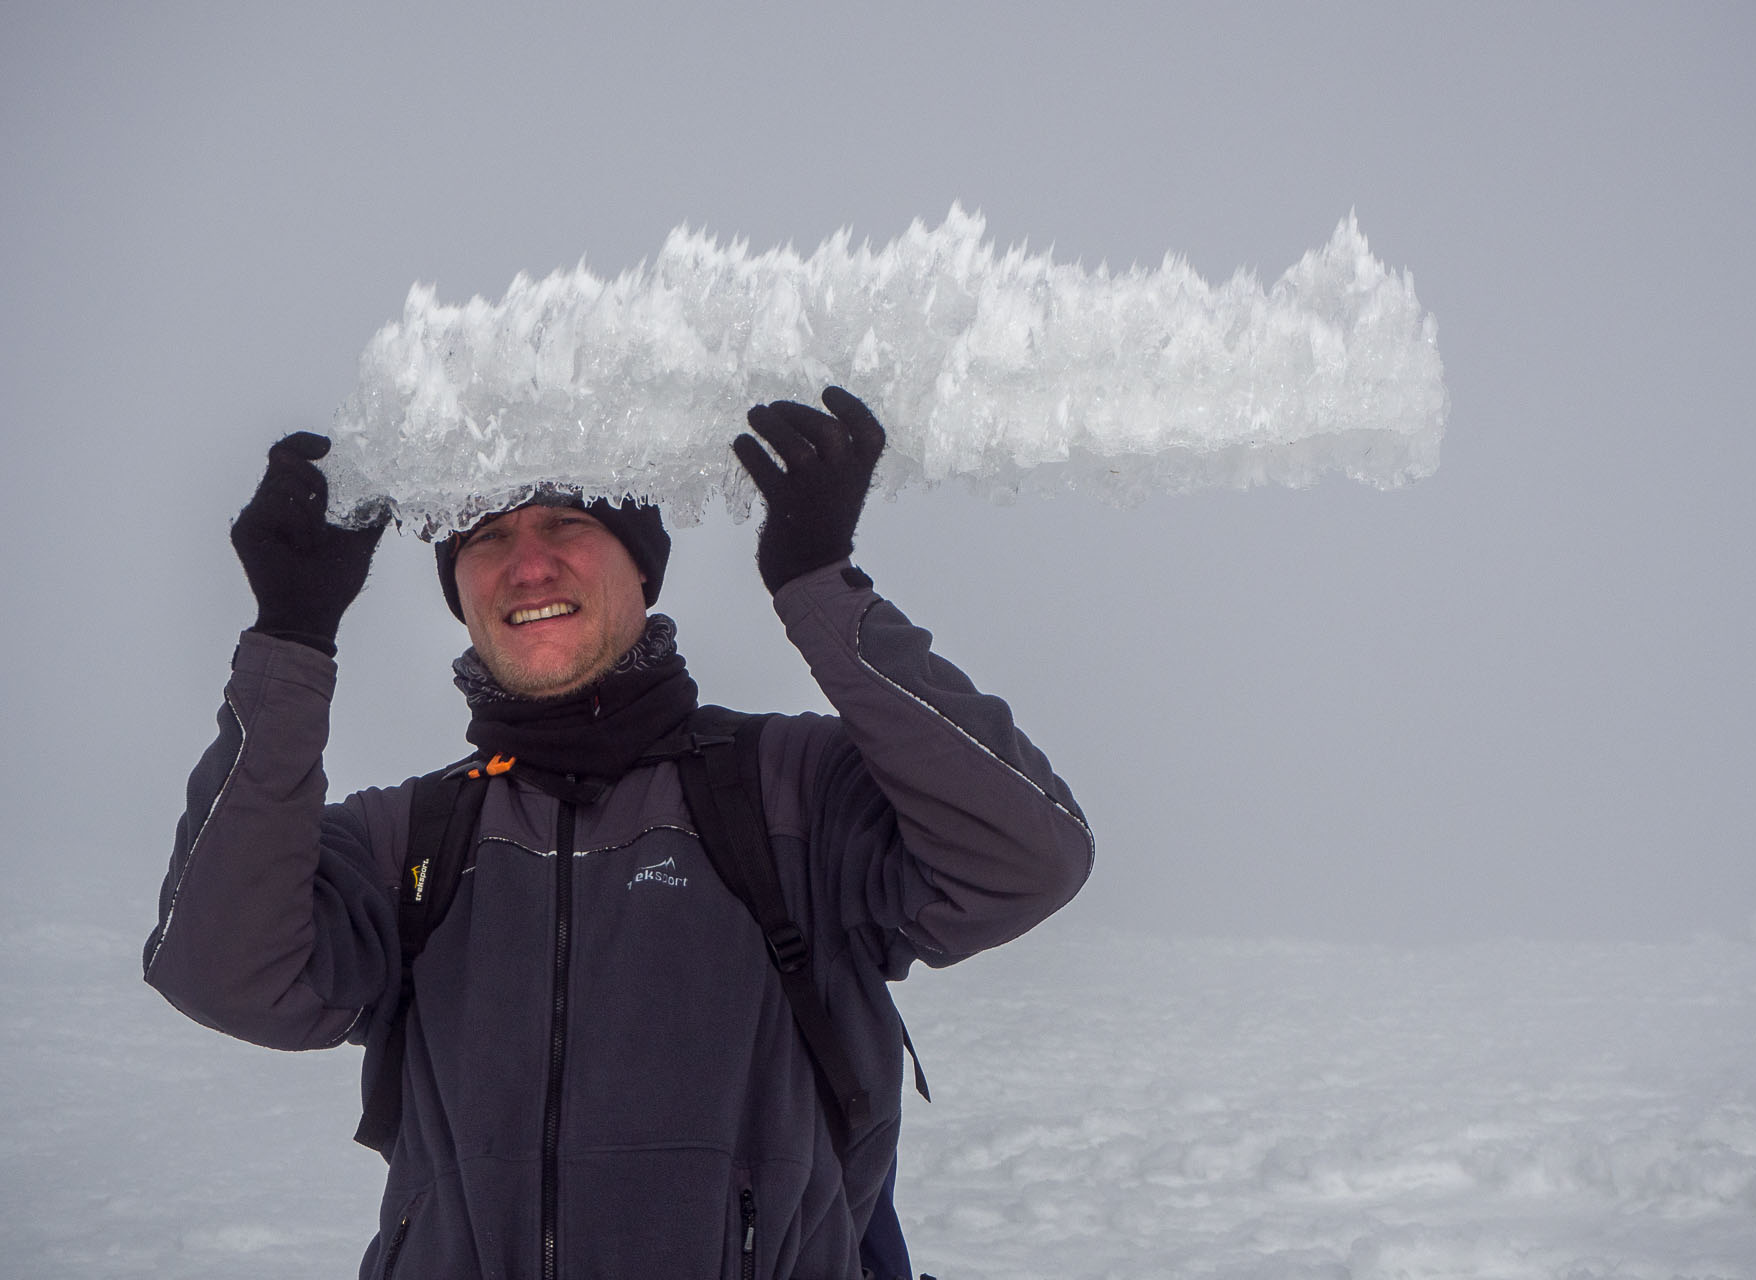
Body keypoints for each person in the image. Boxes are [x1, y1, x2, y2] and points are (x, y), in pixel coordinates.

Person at [143, 387, 1093, 1279]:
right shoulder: (410, 838)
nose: (528, 562)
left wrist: (820, 587)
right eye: (487, 536)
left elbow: (1024, 859)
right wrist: (290, 637)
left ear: (641, 562)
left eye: (569, 521)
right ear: (460, 589)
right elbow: (228, 973)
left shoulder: (793, 788)